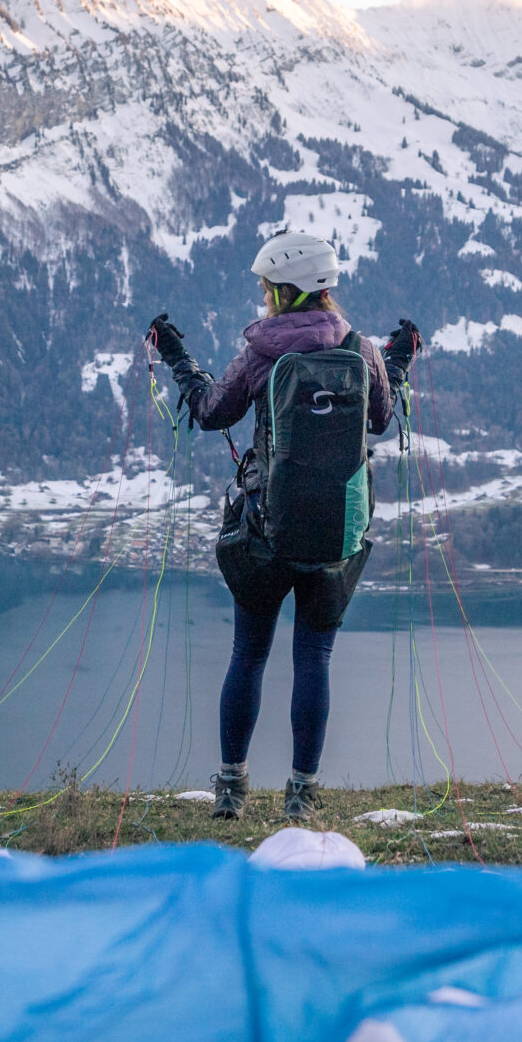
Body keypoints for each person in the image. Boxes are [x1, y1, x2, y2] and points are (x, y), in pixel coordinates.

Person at [148, 231, 419, 820]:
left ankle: (230, 789)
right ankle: (300, 794)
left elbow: (212, 410)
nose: (263, 296)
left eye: (266, 287)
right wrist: (397, 359)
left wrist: (177, 358)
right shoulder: (360, 348)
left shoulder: (262, 354)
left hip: (267, 535)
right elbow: (380, 416)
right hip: (334, 542)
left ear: (282, 292)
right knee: (313, 658)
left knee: (248, 653)